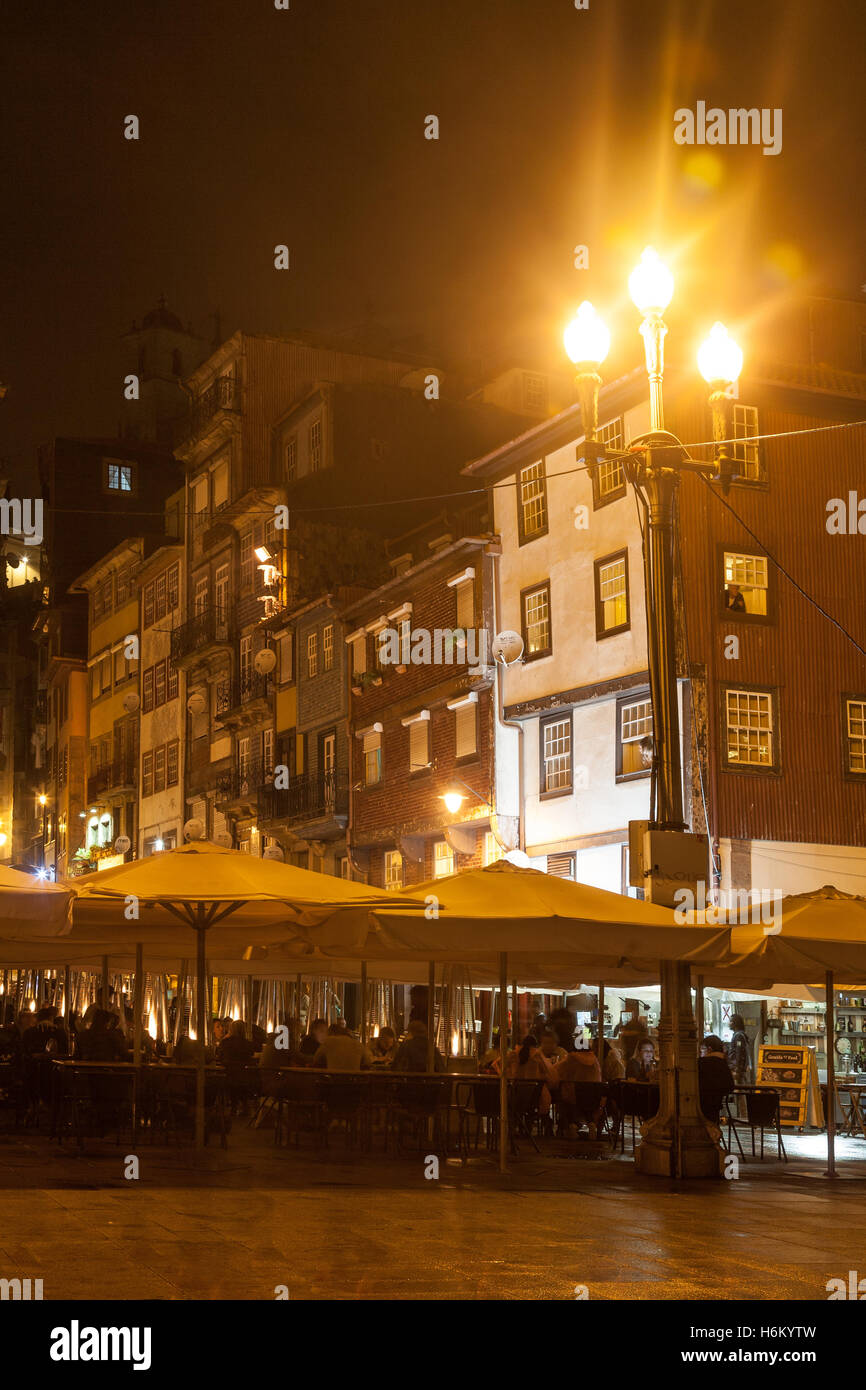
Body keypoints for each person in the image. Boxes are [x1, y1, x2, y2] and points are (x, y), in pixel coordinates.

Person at [552, 1045, 604, 1138]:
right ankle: (591, 1123)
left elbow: (556, 1070)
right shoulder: (595, 1060)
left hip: (575, 1098)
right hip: (593, 1099)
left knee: (564, 1099)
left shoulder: (572, 1058)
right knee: (586, 1102)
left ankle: (571, 1125)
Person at [699, 1035, 735, 1125]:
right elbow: (730, 1086)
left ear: (709, 1049)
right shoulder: (723, 1064)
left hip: (700, 1105)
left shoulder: (700, 1063)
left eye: (702, 1050)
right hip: (716, 1106)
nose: (701, 1053)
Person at [727, 1014, 753, 1087]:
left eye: (731, 1021)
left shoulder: (738, 1036)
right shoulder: (738, 1035)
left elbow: (739, 1052)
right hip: (739, 1068)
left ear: (736, 1023)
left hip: (737, 1069)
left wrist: (737, 1069)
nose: (729, 1024)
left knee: (739, 1090)